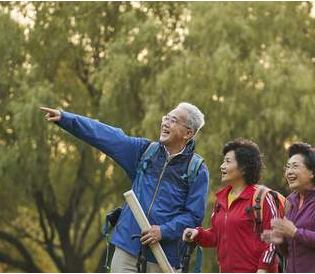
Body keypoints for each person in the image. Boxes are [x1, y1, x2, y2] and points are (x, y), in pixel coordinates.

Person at [40, 103, 209, 272]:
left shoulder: (196, 169)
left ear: (188, 133)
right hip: (127, 250)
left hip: (164, 258)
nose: (165, 123)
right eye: (166, 118)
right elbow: (106, 136)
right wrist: (65, 119)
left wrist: (163, 231)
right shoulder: (143, 152)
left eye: (173, 120)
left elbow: (193, 216)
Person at [183, 138, 279, 273]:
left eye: (228, 161)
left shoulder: (261, 198)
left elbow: (274, 238)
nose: (222, 166)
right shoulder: (221, 200)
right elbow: (216, 236)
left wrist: (262, 269)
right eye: (223, 161)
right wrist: (198, 234)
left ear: (244, 168)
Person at [262, 142, 315, 273]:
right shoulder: (290, 201)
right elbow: (291, 251)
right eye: (287, 167)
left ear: (312, 172)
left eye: (295, 166)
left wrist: (296, 233)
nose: (289, 172)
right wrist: (280, 241)